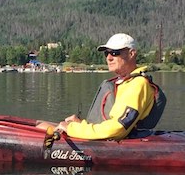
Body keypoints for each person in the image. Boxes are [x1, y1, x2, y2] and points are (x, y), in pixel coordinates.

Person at [38, 33, 166, 141]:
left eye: (115, 53)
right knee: (40, 125)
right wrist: (81, 124)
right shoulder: (123, 82)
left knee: (44, 127)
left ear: (132, 54)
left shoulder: (138, 84)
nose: (109, 58)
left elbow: (118, 128)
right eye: (107, 53)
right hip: (106, 137)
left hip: (119, 142)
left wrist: (72, 128)